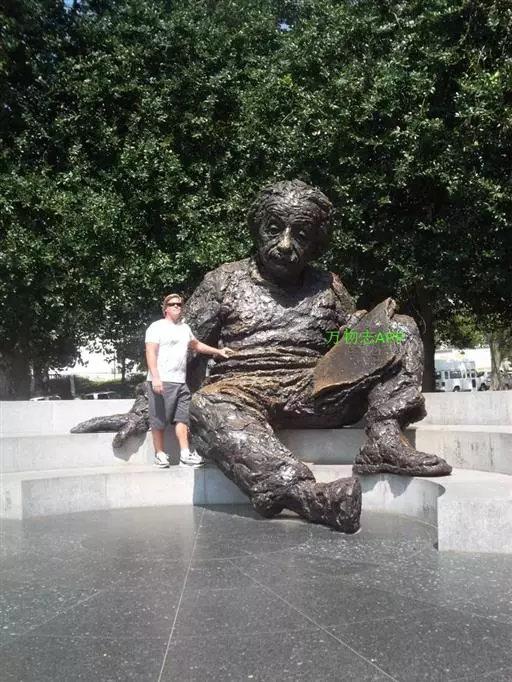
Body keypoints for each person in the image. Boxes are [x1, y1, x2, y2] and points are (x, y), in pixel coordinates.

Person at [184, 179, 451, 533]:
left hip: (317, 390)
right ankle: (307, 496)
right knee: (205, 404)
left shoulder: (328, 285)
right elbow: (181, 345)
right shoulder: (222, 281)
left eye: (301, 235)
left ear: (316, 244)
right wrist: (149, 405)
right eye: (274, 229)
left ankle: (385, 438)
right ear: (256, 228)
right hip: (241, 391)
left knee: (398, 329)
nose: (285, 244)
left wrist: (362, 327)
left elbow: (342, 338)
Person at [145, 293, 233, 468]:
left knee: (182, 419)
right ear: (165, 308)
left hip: (180, 382)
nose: (177, 306)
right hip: (161, 380)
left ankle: (185, 455)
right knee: (158, 420)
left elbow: (196, 345)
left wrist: (218, 351)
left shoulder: (185, 328)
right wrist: (155, 377)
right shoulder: (156, 327)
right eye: (173, 304)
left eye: (179, 304)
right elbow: (150, 352)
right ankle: (159, 454)